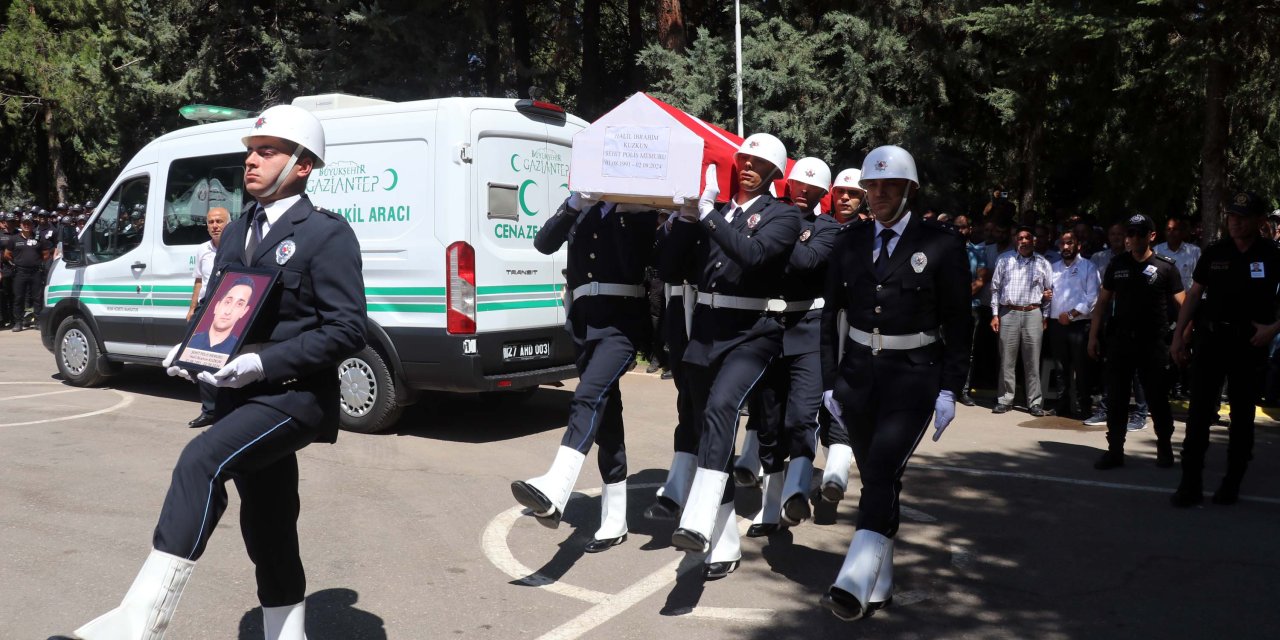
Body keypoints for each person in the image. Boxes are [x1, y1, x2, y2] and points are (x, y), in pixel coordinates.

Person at [52, 103, 367, 640]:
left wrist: (262, 361)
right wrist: (190, 348)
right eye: (250, 151)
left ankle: (139, 621)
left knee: (200, 461)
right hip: (239, 398)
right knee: (268, 528)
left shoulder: (324, 235)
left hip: (292, 397)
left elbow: (347, 330)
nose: (251, 161)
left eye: (267, 152)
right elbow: (218, 309)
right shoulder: (239, 228)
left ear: (303, 165)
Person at [818, 145, 971, 620]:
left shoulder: (941, 244)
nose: (877, 194)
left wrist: (949, 387)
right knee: (883, 478)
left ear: (910, 189)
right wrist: (829, 381)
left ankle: (854, 578)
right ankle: (880, 585)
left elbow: (959, 321)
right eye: (871, 186)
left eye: (888, 185)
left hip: (913, 379)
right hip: (859, 377)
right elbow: (832, 317)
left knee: (881, 469)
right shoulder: (850, 241)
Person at [658, 132, 802, 580]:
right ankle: (722, 542)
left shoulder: (785, 215)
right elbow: (667, 267)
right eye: (743, 158)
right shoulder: (712, 212)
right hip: (704, 331)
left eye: (758, 163)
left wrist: (707, 217)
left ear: (775, 173)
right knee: (706, 430)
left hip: (752, 332)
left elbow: (754, 255)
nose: (747, 166)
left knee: (723, 406)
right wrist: (685, 219)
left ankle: (698, 516)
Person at [509, 193, 657, 554]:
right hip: (583, 325)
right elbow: (544, 243)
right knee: (607, 418)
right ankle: (615, 517)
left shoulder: (638, 209)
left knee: (587, 396)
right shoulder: (579, 209)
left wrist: (627, 209)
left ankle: (557, 486)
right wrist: (575, 203)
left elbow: (642, 258)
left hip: (621, 326)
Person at [746, 157, 837, 537]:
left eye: (812, 189)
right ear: (786, 185)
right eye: (798, 185)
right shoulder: (771, 216)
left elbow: (806, 260)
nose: (803, 192)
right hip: (768, 328)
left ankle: (797, 490)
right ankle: (771, 506)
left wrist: (784, 228)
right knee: (767, 422)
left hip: (808, 329)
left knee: (800, 417)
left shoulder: (828, 228)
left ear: (822, 194)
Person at [1170, 192, 1280, 506]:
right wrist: (1180, 335)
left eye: (1242, 216)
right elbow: (1193, 295)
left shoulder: (1272, 255)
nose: (1235, 221)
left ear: (1260, 221)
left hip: (1249, 345)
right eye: (1232, 215)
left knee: (1242, 417)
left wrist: (1273, 329)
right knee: (1199, 413)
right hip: (1211, 342)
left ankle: (1232, 481)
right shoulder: (1217, 251)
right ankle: (1189, 483)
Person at [1088, 214, 1185, 470]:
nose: (1132, 238)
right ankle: (1115, 450)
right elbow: (1102, 304)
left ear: (1151, 236)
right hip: (1121, 342)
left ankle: (1164, 447)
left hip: (1153, 344)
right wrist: (1093, 337)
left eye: (1139, 233)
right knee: (1117, 398)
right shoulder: (1118, 264)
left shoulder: (1166, 267)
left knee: (1157, 399)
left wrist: (1181, 339)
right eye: (1130, 233)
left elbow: (1184, 306)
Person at [988, 225, 1053, 416]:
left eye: (1027, 238)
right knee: (1007, 360)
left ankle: (1034, 402)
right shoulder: (1004, 260)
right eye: (1020, 238)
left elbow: (1049, 292)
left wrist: (1046, 316)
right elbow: (995, 289)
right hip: (1008, 312)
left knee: (1032, 360)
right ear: (1015, 240)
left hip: (1033, 312)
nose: (1023, 241)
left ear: (1033, 240)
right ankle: (1005, 399)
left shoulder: (1042, 263)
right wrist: (994, 314)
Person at [185, 207, 231, 428]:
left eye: (219, 221)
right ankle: (209, 410)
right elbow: (198, 281)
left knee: (223, 360)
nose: (215, 226)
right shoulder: (202, 250)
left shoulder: (235, 248)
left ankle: (224, 410)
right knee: (196, 357)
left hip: (226, 309)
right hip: (204, 308)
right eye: (211, 222)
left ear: (228, 224)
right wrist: (192, 308)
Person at [1048, 230, 1100, 418]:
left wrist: (1071, 314)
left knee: (1082, 368)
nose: (1066, 247)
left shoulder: (1089, 267)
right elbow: (1047, 293)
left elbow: (1093, 298)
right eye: (1063, 243)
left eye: (1070, 243)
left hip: (1079, 325)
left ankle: (1084, 407)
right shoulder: (1053, 268)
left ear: (1078, 245)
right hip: (1056, 325)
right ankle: (1062, 406)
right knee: (1060, 368)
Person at [954, 214, 988, 406]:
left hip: (970, 308)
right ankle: (943, 388)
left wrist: (959, 298)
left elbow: (981, 280)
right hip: (946, 309)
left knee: (968, 350)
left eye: (964, 227)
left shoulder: (978, 252)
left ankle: (963, 390)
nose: (960, 230)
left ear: (970, 229)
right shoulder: (945, 250)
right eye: (957, 227)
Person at [186, 275, 256, 356]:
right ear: (217, 306)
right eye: (227, 302)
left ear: (244, 311)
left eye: (239, 304)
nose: (228, 311)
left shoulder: (240, 351)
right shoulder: (191, 341)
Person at [6, 213, 51, 331]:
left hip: (36, 272)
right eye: (24, 223)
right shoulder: (14, 238)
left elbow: (46, 254)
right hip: (20, 272)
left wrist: (36, 262)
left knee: (37, 297)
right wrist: (17, 262)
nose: (26, 225)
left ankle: (38, 321)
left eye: (29, 223)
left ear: (32, 225)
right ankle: (18, 323)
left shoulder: (38, 238)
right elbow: (7, 254)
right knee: (18, 298)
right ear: (20, 225)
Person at [1154, 215, 1201, 292]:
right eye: (1168, 229)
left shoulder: (1194, 251)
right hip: (1165, 300)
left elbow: (1199, 280)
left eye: (1175, 229)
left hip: (1188, 299)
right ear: (1165, 232)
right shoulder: (1157, 250)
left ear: (1182, 232)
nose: (1171, 233)